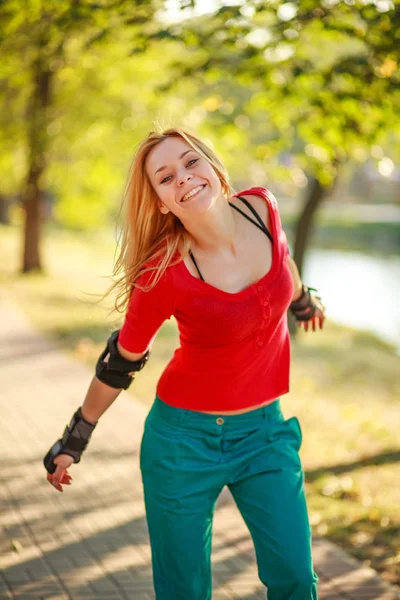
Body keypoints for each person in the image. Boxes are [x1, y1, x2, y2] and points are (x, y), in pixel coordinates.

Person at [44, 127, 325, 600]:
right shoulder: (163, 272)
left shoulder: (262, 209)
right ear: (159, 202)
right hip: (182, 444)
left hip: (264, 434)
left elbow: (283, 257)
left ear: (213, 166)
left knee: (296, 578)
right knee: (184, 591)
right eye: (166, 176)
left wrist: (300, 298)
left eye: (190, 162)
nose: (184, 178)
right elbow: (120, 363)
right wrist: (76, 436)